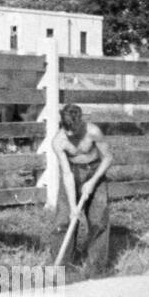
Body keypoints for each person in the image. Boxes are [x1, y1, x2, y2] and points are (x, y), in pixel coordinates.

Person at [49, 103, 114, 273]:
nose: (71, 135)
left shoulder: (93, 132)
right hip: (72, 173)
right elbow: (67, 174)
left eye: (75, 130)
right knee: (64, 219)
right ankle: (63, 266)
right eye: (67, 130)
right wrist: (72, 207)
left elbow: (108, 158)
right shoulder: (58, 141)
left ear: (80, 121)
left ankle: (96, 266)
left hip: (95, 171)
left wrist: (92, 182)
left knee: (98, 220)